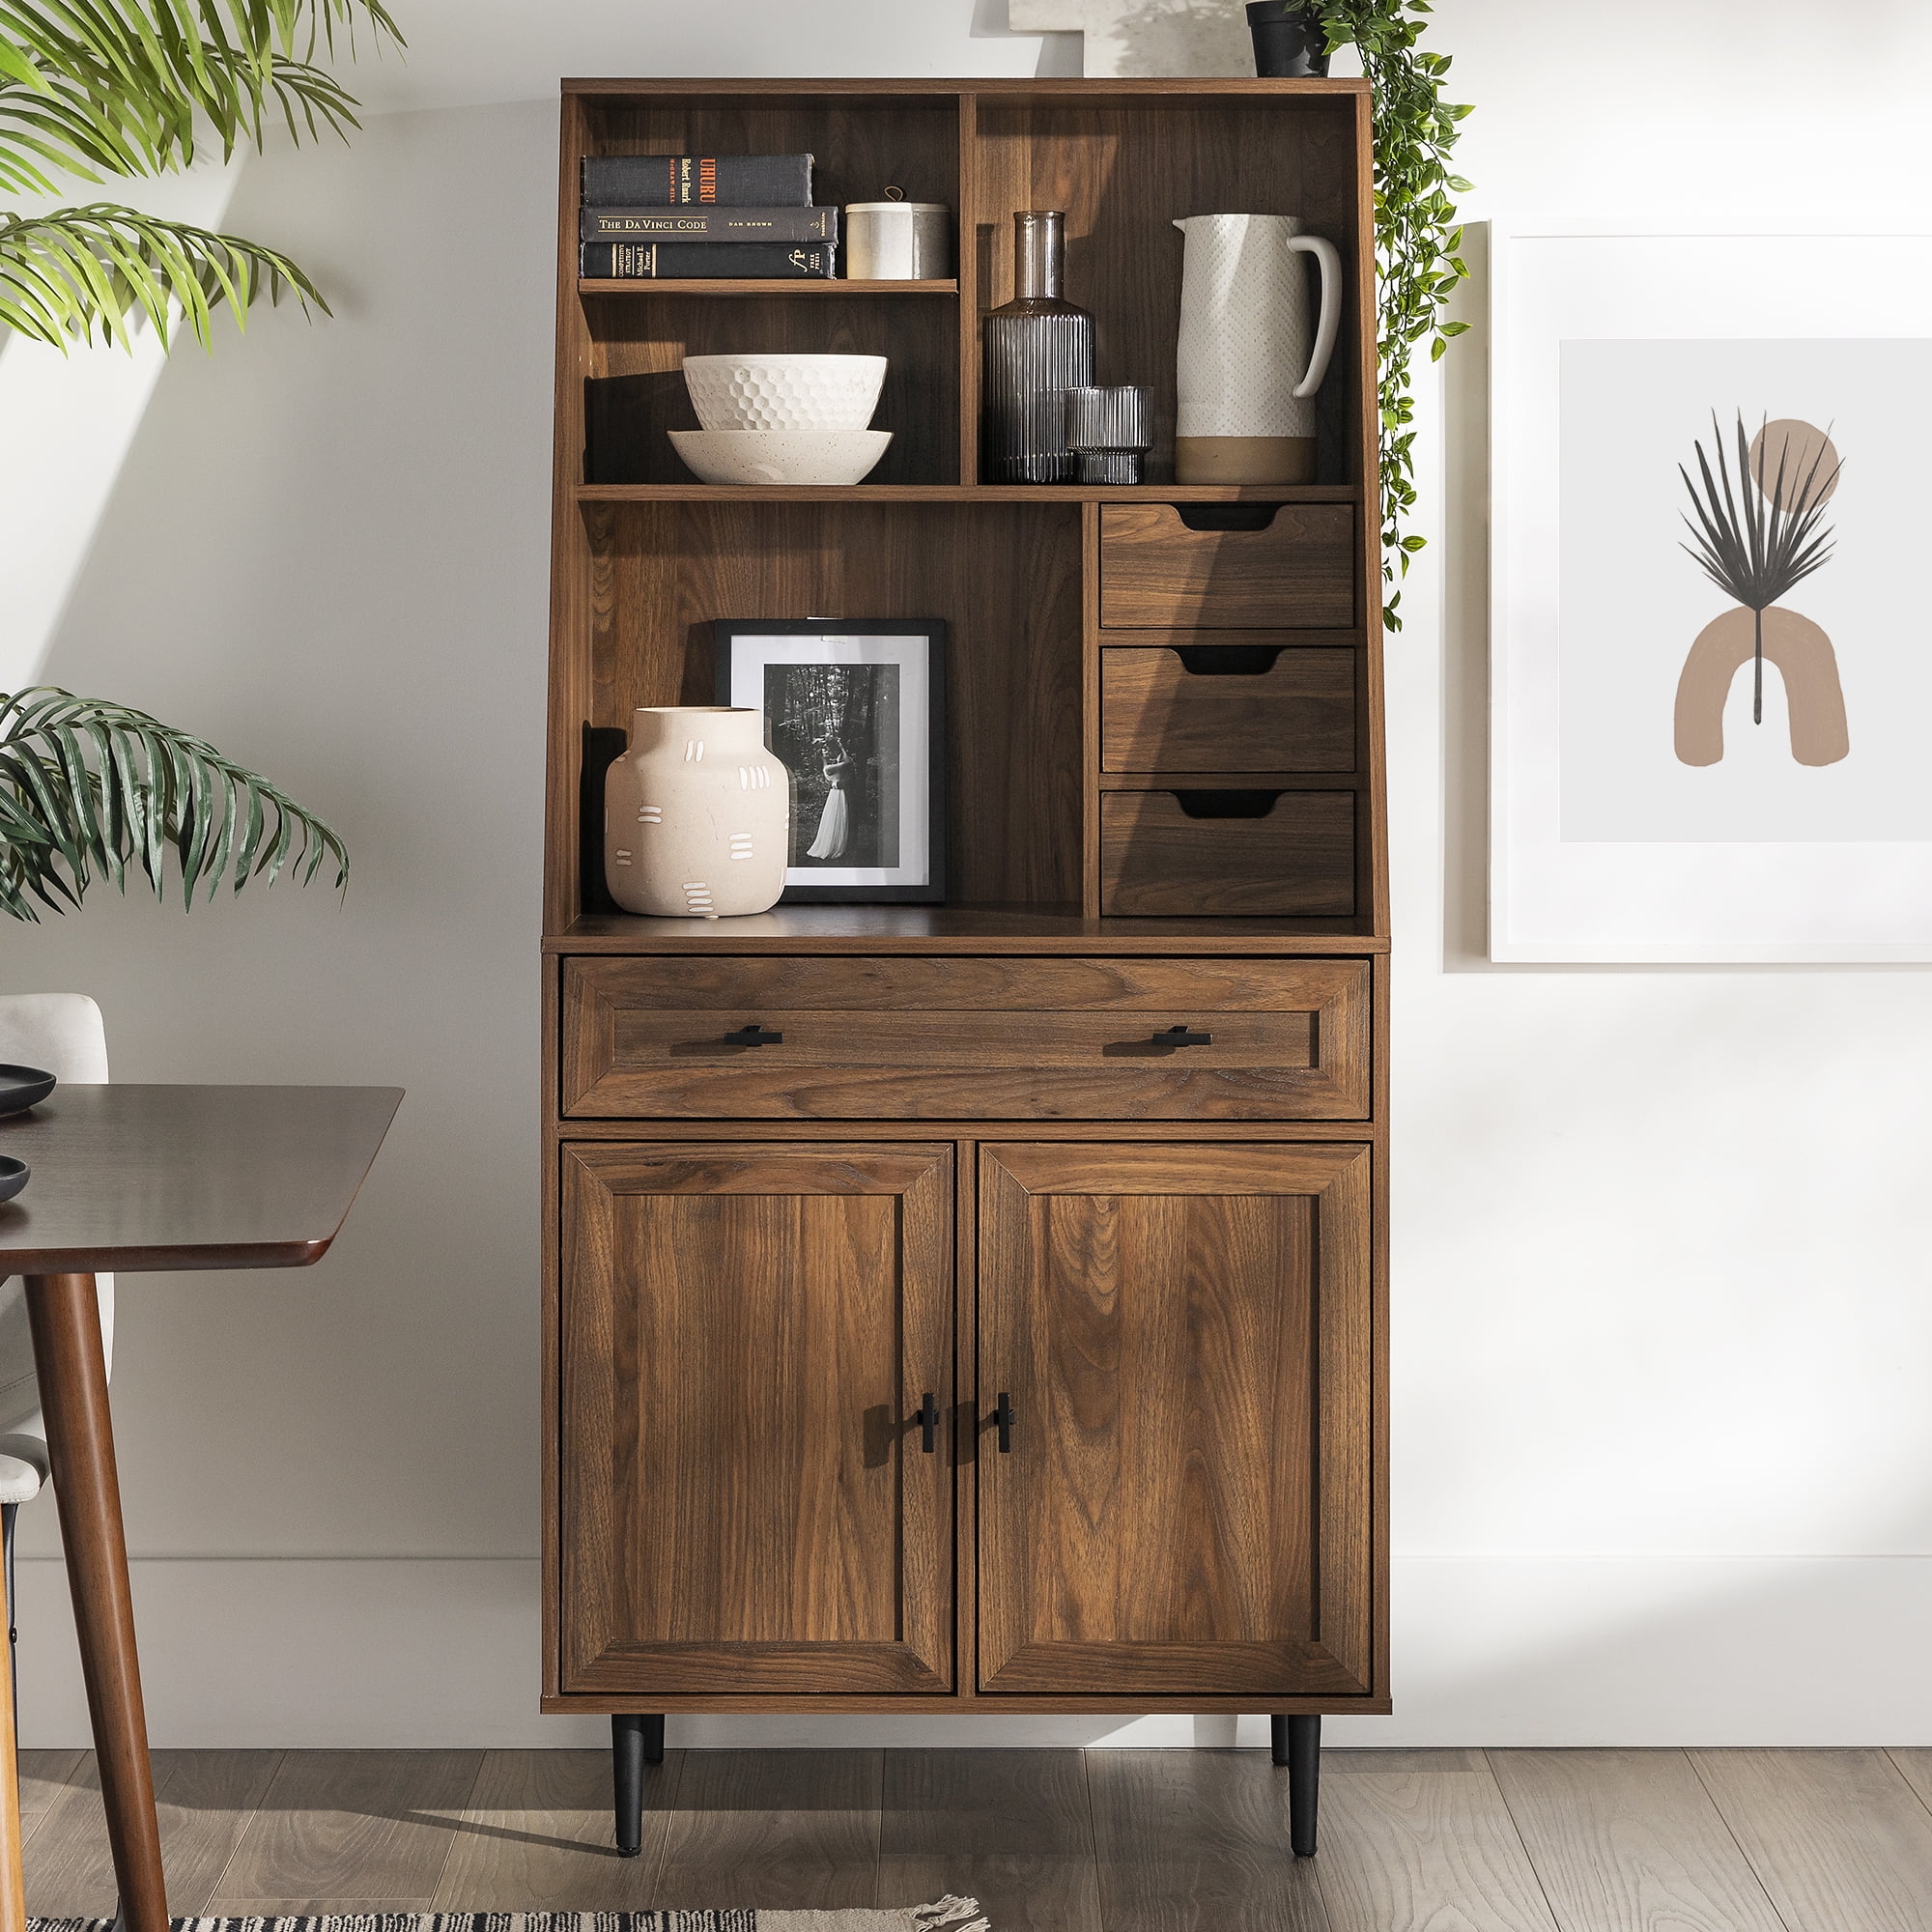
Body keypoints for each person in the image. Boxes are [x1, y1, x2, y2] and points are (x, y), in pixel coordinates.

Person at [807, 729, 855, 860]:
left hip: (835, 794)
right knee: (838, 817)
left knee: (834, 817)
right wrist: (841, 746)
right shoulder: (829, 768)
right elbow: (848, 763)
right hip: (838, 794)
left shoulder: (829, 767)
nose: (828, 752)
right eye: (825, 752)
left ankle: (836, 841)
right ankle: (836, 844)